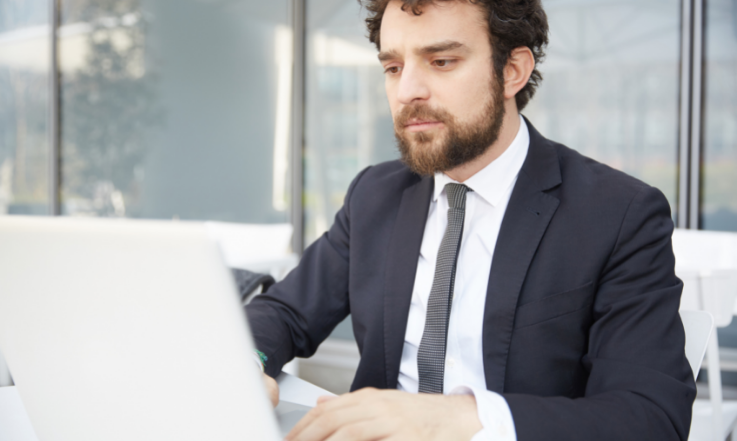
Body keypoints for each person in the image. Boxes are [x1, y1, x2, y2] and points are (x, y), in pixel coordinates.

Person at [246, 0, 696, 440]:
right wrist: (245, 362)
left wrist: (460, 418)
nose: (407, 92)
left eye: (441, 61)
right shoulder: (375, 195)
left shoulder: (617, 214)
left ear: (512, 71)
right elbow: (284, 312)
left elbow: (649, 416)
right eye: (393, 67)